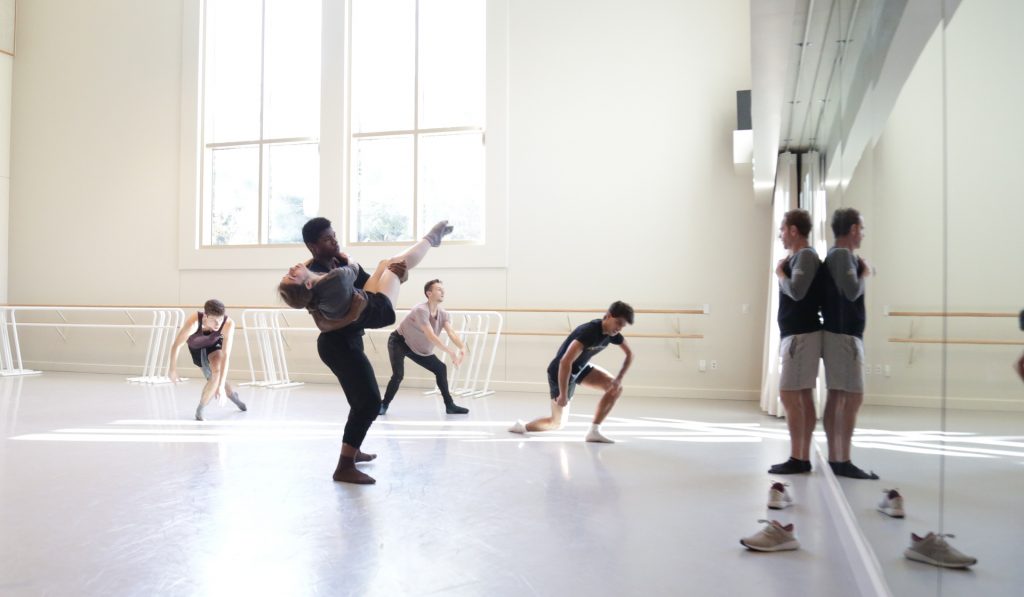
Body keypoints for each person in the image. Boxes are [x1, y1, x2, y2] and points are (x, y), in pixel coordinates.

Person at [278, 219, 453, 485]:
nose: (334, 241)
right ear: (312, 246)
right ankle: (344, 466)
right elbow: (323, 324)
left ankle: (353, 449)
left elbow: (367, 285)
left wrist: (393, 276)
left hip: (350, 337)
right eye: (327, 239)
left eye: (334, 235)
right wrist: (353, 313)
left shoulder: (338, 262)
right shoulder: (311, 276)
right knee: (370, 401)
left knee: (359, 402)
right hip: (337, 345)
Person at [509, 301, 634, 443]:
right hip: (560, 372)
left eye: (623, 326)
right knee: (557, 423)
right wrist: (563, 394)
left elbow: (630, 354)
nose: (619, 328)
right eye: (618, 322)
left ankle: (594, 431)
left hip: (579, 368)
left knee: (614, 388)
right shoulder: (588, 332)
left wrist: (619, 378)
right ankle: (522, 427)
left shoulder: (612, 334)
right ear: (608, 316)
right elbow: (565, 362)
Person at [820, 207, 878, 479]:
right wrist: (864, 272)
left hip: (840, 335)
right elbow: (852, 290)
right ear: (853, 229)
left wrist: (861, 268)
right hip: (844, 337)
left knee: (840, 395)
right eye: (862, 229)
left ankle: (837, 457)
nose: (863, 234)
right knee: (851, 396)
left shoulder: (840, 256)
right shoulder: (842, 255)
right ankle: (841, 459)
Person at [768, 209, 825, 475]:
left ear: (793, 230)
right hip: (798, 334)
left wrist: (780, 273)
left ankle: (798, 457)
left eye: (782, 230)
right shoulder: (801, 257)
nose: (781, 236)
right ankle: (801, 456)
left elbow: (797, 292)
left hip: (801, 335)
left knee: (790, 393)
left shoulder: (805, 256)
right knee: (801, 395)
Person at [380, 279, 470, 415]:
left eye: (443, 289)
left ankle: (450, 405)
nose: (443, 291)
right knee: (398, 375)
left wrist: (462, 348)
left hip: (418, 348)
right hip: (399, 342)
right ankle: (384, 405)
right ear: (429, 293)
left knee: (440, 368)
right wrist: (451, 352)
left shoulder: (443, 314)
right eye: (439, 289)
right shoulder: (420, 310)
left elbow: (451, 332)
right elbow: (430, 335)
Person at [167, 299, 247, 421]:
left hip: (214, 346)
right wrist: (172, 369)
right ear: (205, 316)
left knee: (217, 374)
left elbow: (226, 355)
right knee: (212, 379)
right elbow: (176, 345)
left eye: (220, 319)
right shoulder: (193, 322)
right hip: (196, 350)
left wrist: (220, 386)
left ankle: (200, 409)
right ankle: (232, 395)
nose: (218, 324)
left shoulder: (228, 324)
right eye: (214, 320)